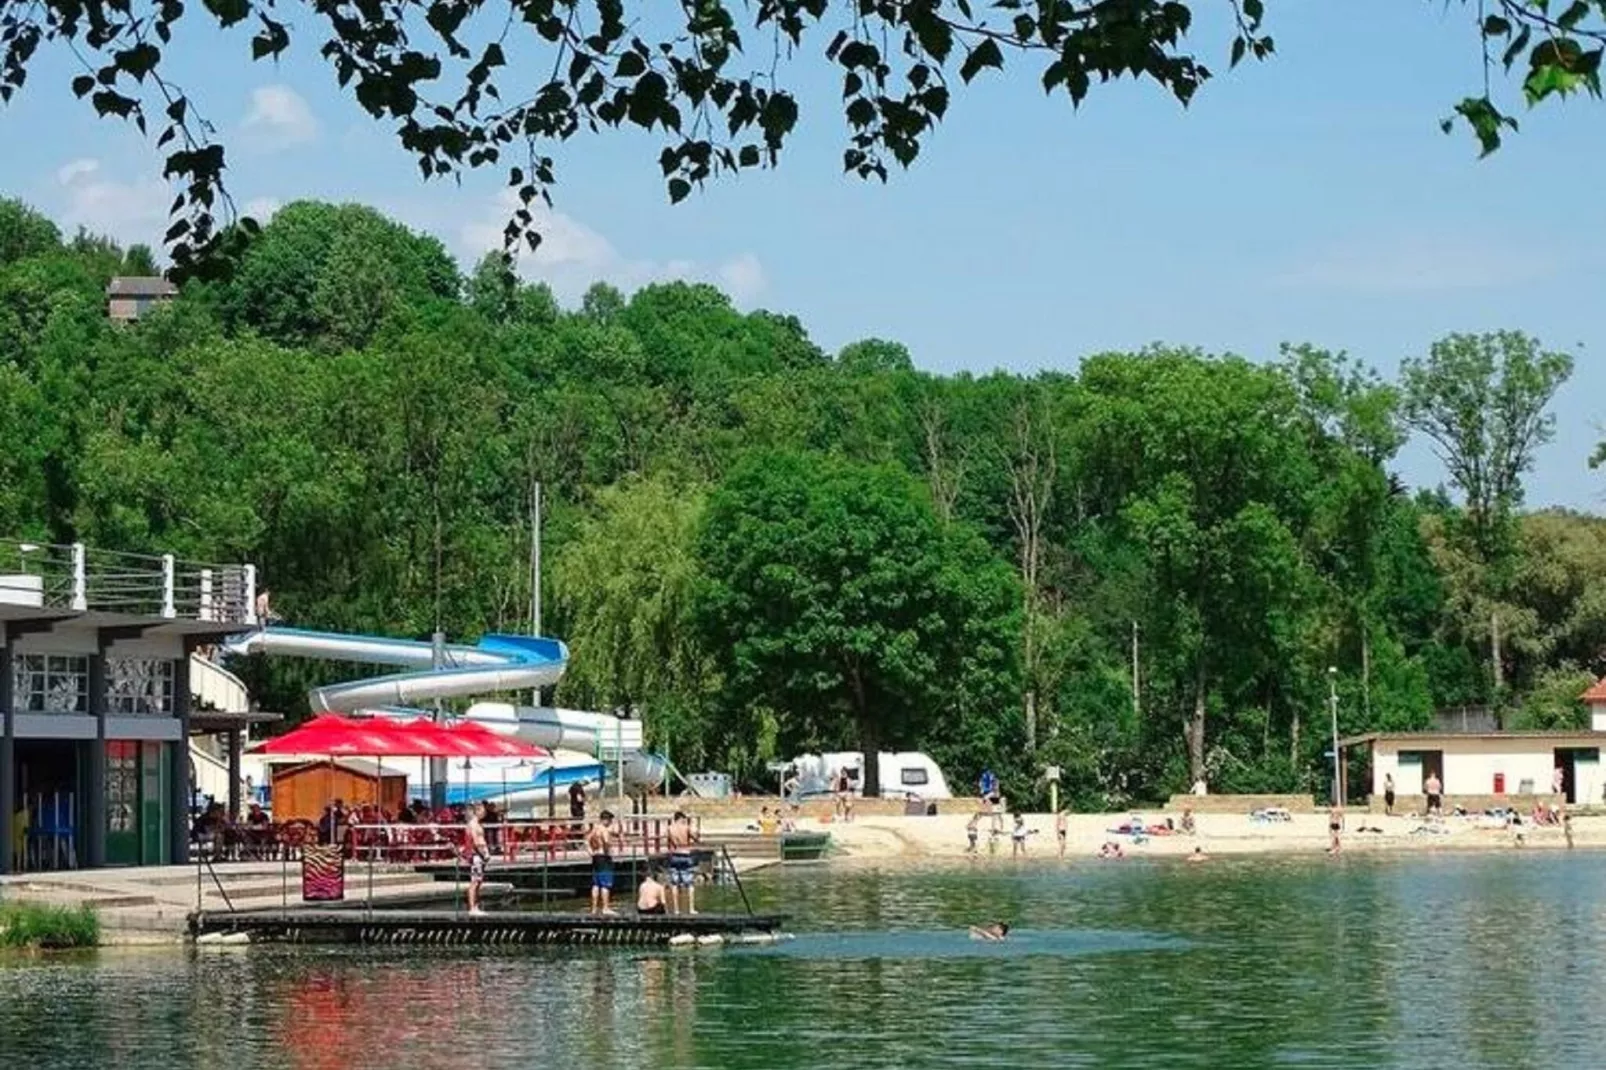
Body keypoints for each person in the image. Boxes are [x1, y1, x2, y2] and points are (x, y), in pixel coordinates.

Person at [587, 809, 621, 916]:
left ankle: (593, 909)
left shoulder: (595, 829)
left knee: (596, 884)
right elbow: (606, 841)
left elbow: (586, 840)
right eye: (610, 820)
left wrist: (591, 852)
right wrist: (609, 849)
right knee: (606, 884)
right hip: (604, 857)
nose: (611, 822)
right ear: (606, 820)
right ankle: (605, 907)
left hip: (596, 857)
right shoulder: (604, 830)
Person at [666, 810, 699, 915]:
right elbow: (696, 838)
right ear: (680, 819)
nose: (685, 821)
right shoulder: (686, 827)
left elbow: (670, 843)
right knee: (689, 884)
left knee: (674, 884)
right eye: (683, 819)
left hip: (674, 855)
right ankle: (691, 909)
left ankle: (676, 910)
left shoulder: (670, 828)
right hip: (685, 854)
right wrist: (694, 828)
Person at [465, 801, 491, 915]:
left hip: (481, 854)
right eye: (483, 811)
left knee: (479, 881)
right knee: (474, 881)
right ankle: (472, 907)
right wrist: (483, 853)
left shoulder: (478, 823)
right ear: (477, 811)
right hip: (477, 854)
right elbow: (476, 841)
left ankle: (476, 905)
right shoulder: (473, 824)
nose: (484, 813)